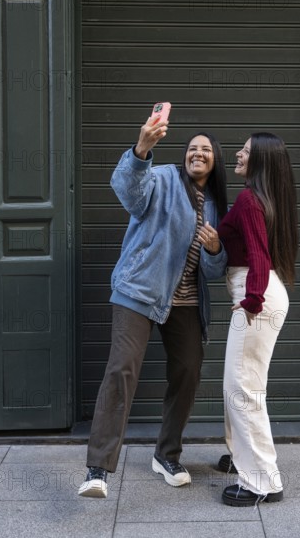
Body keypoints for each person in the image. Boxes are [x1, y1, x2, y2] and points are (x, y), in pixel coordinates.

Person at [78, 115, 228, 498]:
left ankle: (166, 454)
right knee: (122, 370)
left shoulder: (215, 205)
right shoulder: (161, 177)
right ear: (184, 156)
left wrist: (214, 249)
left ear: (215, 161)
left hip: (185, 302)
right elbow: (127, 191)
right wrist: (141, 149)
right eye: (192, 147)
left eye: (206, 149)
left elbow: (212, 270)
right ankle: (98, 469)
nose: (198, 153)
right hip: (140, 290)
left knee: (189, 370)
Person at [215, 132, 298, 507]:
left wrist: (251, 300)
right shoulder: (262, 197)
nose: (238, 153)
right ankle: (241, 456)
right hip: (261, 294)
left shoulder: (250, 199)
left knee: (242, 388)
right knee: (237, 382)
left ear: (260, 161)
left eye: (245, 151)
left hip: (257, 297)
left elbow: (259, 257)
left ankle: (263, 482)